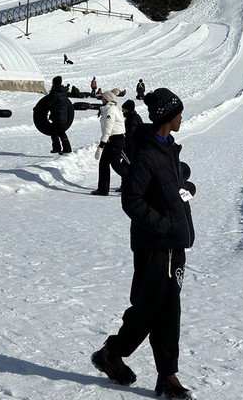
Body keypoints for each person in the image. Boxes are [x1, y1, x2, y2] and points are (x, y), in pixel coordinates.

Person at [91, 87, 195, 399]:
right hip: (155, 246)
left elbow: (167, 185)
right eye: (178, 112)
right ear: (168, 117)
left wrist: (185, 186)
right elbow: (132, 201)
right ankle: (113, 353)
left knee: (167, 310)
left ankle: (166, 376)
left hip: (174, 245)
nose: (181, 117)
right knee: (150, 309)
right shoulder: (148, 153)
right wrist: (163, 226)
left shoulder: (168, 147)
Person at [92, 89, 129, 196]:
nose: (101, 99)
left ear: (107, 99)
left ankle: (135, 183)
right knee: (103, 164)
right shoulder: (108, 109)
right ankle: (103, 189)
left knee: (116, 165)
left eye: (103, 98)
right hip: (111, 140)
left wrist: (100, 147)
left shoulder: (110, 111)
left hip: (116, 140)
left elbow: (108, 131)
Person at [47, 75, 73, 155]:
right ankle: (56, 148)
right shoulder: (62, 92)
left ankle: (67, 148)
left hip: (59, 116)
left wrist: (39, 108)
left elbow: (49, 103)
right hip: (60, 115)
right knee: (54, 132)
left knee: (61, 132)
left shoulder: (56, 93)